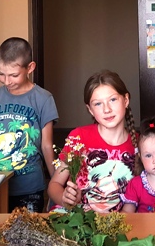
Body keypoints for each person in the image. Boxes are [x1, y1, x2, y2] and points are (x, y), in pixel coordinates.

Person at [0, 37, 58, 212]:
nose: (7, 81)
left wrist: (55, 184)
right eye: (1, 74)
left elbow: (47, 145)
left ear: (30, 68)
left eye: (13, 75)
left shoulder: (43, 99)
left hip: (29, 187)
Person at [48, 70, 137, 213]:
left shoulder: (140, 144)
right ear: (90, 109)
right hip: (77, 218)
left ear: (125, 100)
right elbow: (55, 184)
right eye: (98, 104)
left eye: (113, 100)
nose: (107, 109)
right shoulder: (79, 137)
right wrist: (64, 199)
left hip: (119, 221)